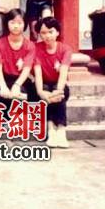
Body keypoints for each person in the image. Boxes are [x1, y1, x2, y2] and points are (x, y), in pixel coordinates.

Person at [33, 17, 72, 148]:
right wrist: (40, 92)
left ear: (57, 32)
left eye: (50, 32)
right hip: (43, 85)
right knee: (46, 90)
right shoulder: (36, 48)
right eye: (43, 33)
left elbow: (63, 72)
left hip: (59, 85)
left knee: (59, 92)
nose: (47, 36)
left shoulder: (65, 49)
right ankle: (51, 130)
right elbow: (37, 73)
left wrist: (58, 91)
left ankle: (61, 130)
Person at [0, 9, 36, 102]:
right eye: (12, 22)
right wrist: (3, 86)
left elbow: (26, 69)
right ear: (7, 23)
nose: (16, 26)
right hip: (4, 78)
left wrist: (17, 85)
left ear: (25, 24)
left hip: (21, 80)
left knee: (21, 93)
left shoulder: (30, 45)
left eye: (19, 23)